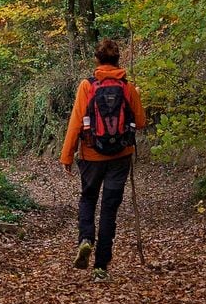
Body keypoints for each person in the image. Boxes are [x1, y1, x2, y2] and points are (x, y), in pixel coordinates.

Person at [60, 37, 147, 281]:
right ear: (118, 60)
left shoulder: (87, 86)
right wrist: (136, 97)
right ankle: (101, 267)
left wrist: (67, 155)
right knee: (109, 208)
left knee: (88, 198)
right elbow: (140, 123)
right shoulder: (128, 88)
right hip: (120, 156)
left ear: (96, 60)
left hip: (90, 154)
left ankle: (86, 238)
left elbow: (76, 122)